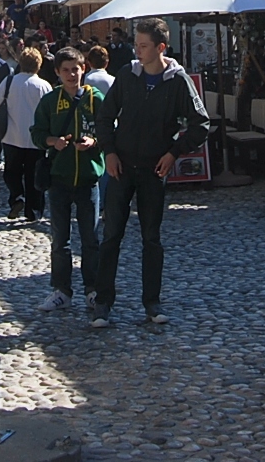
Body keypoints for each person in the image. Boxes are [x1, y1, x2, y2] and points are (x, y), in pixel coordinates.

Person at [91, 19, 210, 327]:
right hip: (121, 166)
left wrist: (174, 153)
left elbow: (201, 124)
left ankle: (152, 303)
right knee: (111, 236)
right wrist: (109, 152)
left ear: (160, 48)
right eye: (136, 45)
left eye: (143, 46)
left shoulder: (177, 81)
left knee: (151, 238)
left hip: (153, 170)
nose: (138, 51)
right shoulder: (127, 75)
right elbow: (105, 116)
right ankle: (103, 302)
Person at [29, 47, 104, 312]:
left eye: (76, 69)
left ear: (84, 69)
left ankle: (93, 289)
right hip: (59, 178)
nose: (72, 75)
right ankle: (61, 290)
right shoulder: (50, 101)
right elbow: (37, 133)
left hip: (88, 178)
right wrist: (53, 141)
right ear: (58, 73)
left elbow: (110, 130)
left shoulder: (95, 99)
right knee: (60, 239)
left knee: (90, 239)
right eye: (66, 70)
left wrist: (94, 142)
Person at [0, 46, 53, 221]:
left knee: (12, 172)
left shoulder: (9, 82)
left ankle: (17, 197)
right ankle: (34, 211)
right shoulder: (44, 86)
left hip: (12, 136)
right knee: (34, 175)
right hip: (36, 140)